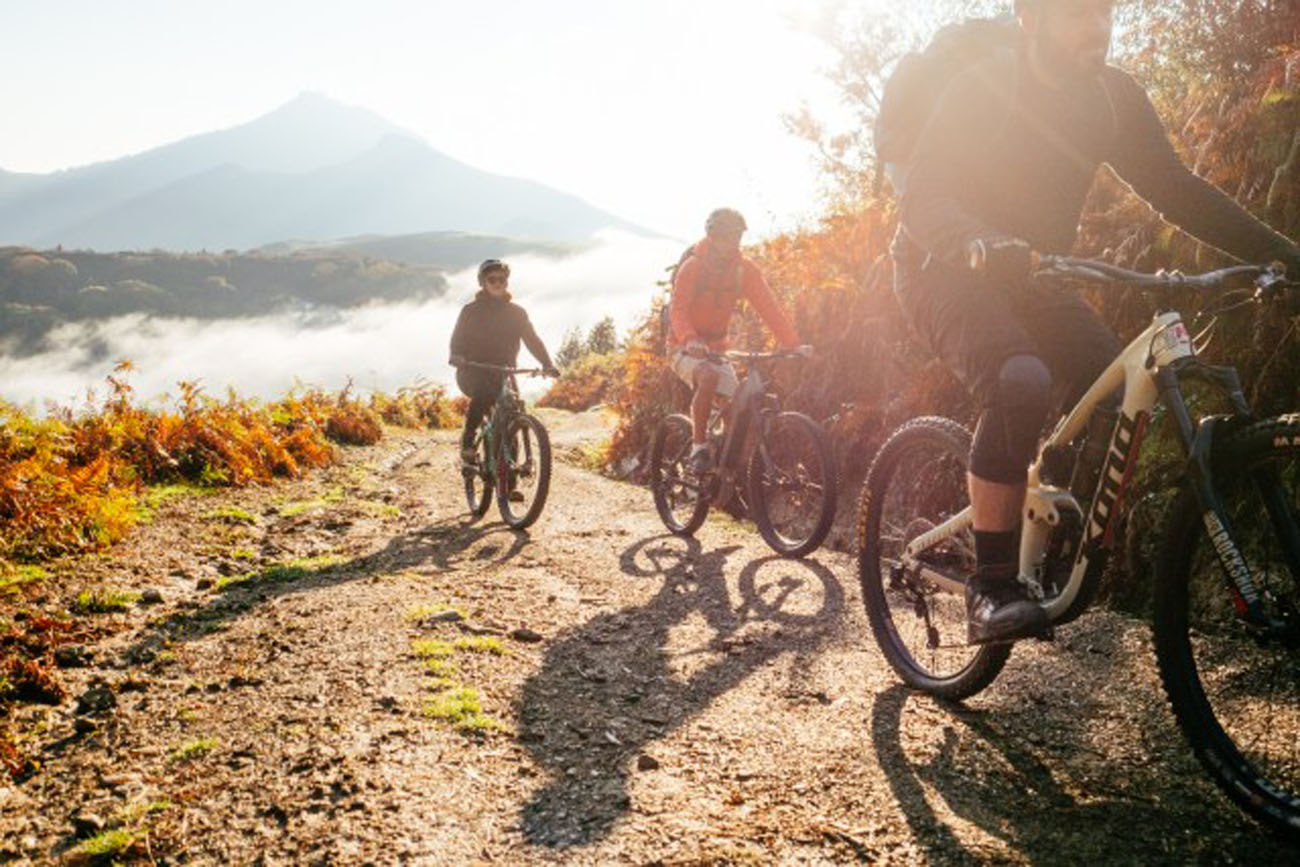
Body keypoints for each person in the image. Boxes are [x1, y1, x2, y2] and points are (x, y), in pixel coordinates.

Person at [892, 0, 1300, 644]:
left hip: (1037, 274)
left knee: (1107, 386)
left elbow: (1178, 190)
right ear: (1031, 19)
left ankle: (1045, 507)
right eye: (1080, 15)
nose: (1100, 28)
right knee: (1019, 377)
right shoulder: (984, 87)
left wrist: (1284, 256)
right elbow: (921, 198)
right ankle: (991, 586)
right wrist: (975, 240)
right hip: (942, 266)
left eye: (1106, 13)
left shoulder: (1112, 98)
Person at [668, 207, 810, 475]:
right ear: (712, 237)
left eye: (736, 237)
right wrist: (689, 339)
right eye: (726, 237)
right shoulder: (693, 267)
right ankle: (698, 447)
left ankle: (722, 470)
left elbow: (769, 308)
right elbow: (678, 310)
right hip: (681, 347)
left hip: (718, 348)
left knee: (737, 411)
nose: (732, 244)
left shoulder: (744, 270)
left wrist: (792, 344)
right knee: (707, 377)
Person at [449, 259, 559, 480]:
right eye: (492, 280)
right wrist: (457, 356)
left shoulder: (517, 313)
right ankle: (469, 440)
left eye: (502, 279)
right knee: (482, 392)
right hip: (473, 370)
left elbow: (532, 340)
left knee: (512, 416)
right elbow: (457, 340)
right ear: (483, 283)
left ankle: (510, 481)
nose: (498, 283)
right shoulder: (470, 311)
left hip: (504, 372)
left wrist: (547, 364)